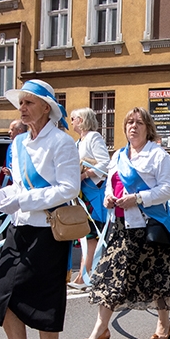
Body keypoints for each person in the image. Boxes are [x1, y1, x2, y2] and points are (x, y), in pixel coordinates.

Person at [0, 80, 79, 339]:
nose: (21, 108)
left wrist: (22, 199)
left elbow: (68, 189)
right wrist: (0, 197)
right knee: (4, 293)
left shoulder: (62, 142)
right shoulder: (19, 143)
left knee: (45, 298)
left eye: (28, 103)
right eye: (20, 103)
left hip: (49, 231)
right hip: (19, 227)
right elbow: (20, 185)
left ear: (46, 108)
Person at [82, 107, 170, 339]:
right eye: (129, 122)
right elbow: (109, 187)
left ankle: (164, 325)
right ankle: (100, 329)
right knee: (111, 276)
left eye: (139, 122)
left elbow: (167, 190)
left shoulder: (158, 155)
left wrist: (138, 198)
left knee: (157, 278)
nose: (133, 126)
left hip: (149, 226)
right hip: (121, 227)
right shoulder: (118, 156)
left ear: (148, 127)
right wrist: (108, 199)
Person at [69, 108, 110, 287]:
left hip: (94, 192)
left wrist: (85, 174)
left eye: (73, 118)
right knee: (85, 235)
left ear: (82, 119)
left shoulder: (94, 137)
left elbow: (105, 163)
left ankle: (85, 275)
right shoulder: (79, 141)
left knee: (90, 235)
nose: (71, 121)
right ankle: (84, 274)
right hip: (83, 192)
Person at [0, 120, 28, 190]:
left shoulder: (28, 145)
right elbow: (5, 165)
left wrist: (12, 173)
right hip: (9, 183)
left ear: (20, 131)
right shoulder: (11, 146)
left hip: (23, 186)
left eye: (12, 130)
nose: (9, 132)